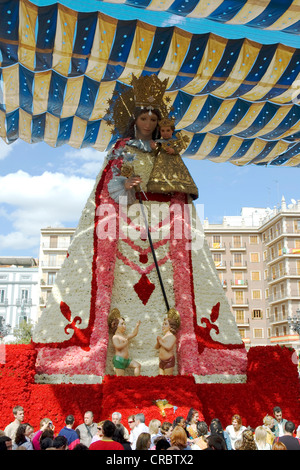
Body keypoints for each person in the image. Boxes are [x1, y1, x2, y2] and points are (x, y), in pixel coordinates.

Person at [33, 74, 247, 383]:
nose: (147, 122)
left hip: (164, 226)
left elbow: (180, 187)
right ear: (135, 120)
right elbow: (109, 186)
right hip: (128, 224)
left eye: (152, 117)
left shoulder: (166, 151)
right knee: (122, 287)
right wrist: (126, 184)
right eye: (143, 116)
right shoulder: (123, 148)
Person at [148, 116, 198, 197]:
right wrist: (154, 148)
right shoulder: (158, 142)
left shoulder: (175, 141)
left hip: (175, 163)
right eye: (163, 131)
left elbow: (180, 147)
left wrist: (174, 151)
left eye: (168, 130)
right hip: (161, 162)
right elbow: (155, 153)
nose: (165, 133)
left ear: (172, 131)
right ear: (160, 132)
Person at [108, 309, 141, 376]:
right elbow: (117, 346)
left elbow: (134, 334)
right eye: (122, 324)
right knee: (120, 378)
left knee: (138, 365)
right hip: (119, 360)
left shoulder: (125, 336)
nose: (124, 326)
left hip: (126, 360)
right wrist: (125, 343)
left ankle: (137, 381)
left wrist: (137, 326)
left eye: (125, 324)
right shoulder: (115, 337)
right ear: (116, 325)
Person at [155, 310, 180, 376]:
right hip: (161, 361)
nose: (163, 326)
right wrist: (158, 342)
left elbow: (169, 347)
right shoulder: (163, 337)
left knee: (168, 378)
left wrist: (160, 341)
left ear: (170, 327)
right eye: (163, 324)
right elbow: (156, 347)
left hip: (168, 361)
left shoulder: (172, 337)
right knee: (161, 377)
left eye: (165, 324)